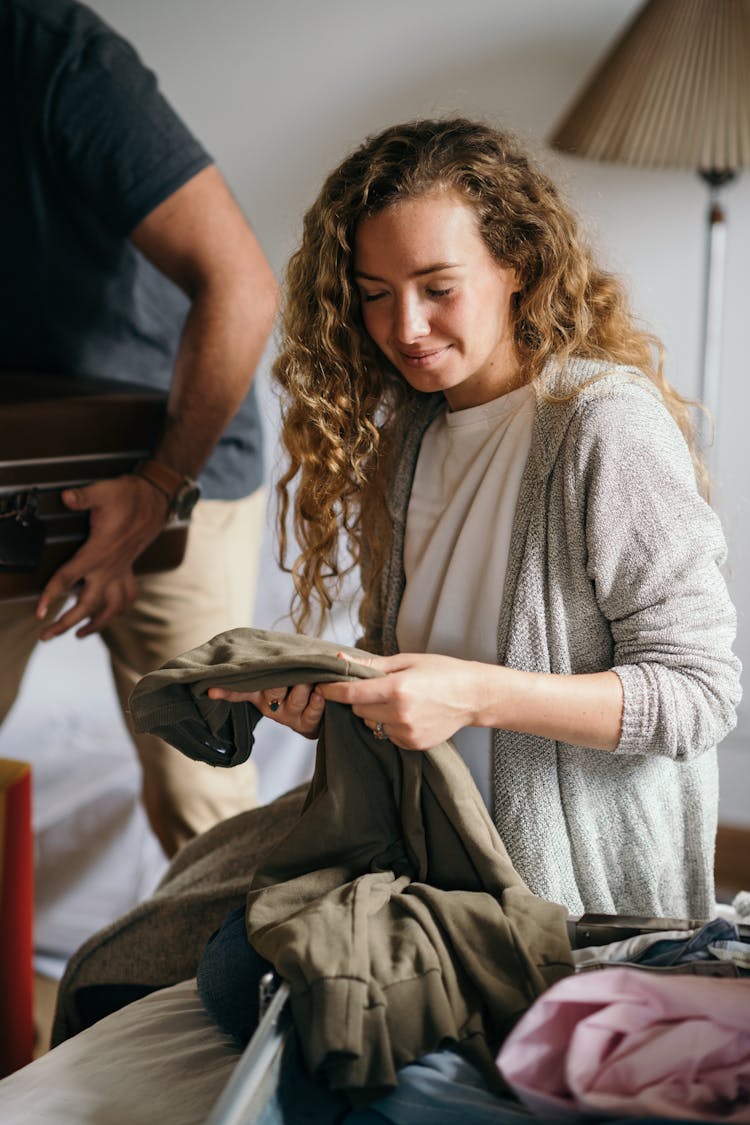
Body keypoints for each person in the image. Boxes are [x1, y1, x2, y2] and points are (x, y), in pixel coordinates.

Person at [209, 116, 741, 919]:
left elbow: (700, 693)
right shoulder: (411, 436)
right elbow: (410, 667)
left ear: (517, 265)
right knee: (184, 942)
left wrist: (478, 695)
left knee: (254, 976)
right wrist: (338, 705)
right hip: (424, 849)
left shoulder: (604, 426)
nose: (406, 329)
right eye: (376, 296)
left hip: (562, 895)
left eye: (439, 287)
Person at [0, 0, 278, 857]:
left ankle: (252, 990)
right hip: (16, 469)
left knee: (204, 797)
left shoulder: (60, 56)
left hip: (178, 462)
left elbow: (244, 287)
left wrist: (156, 494)